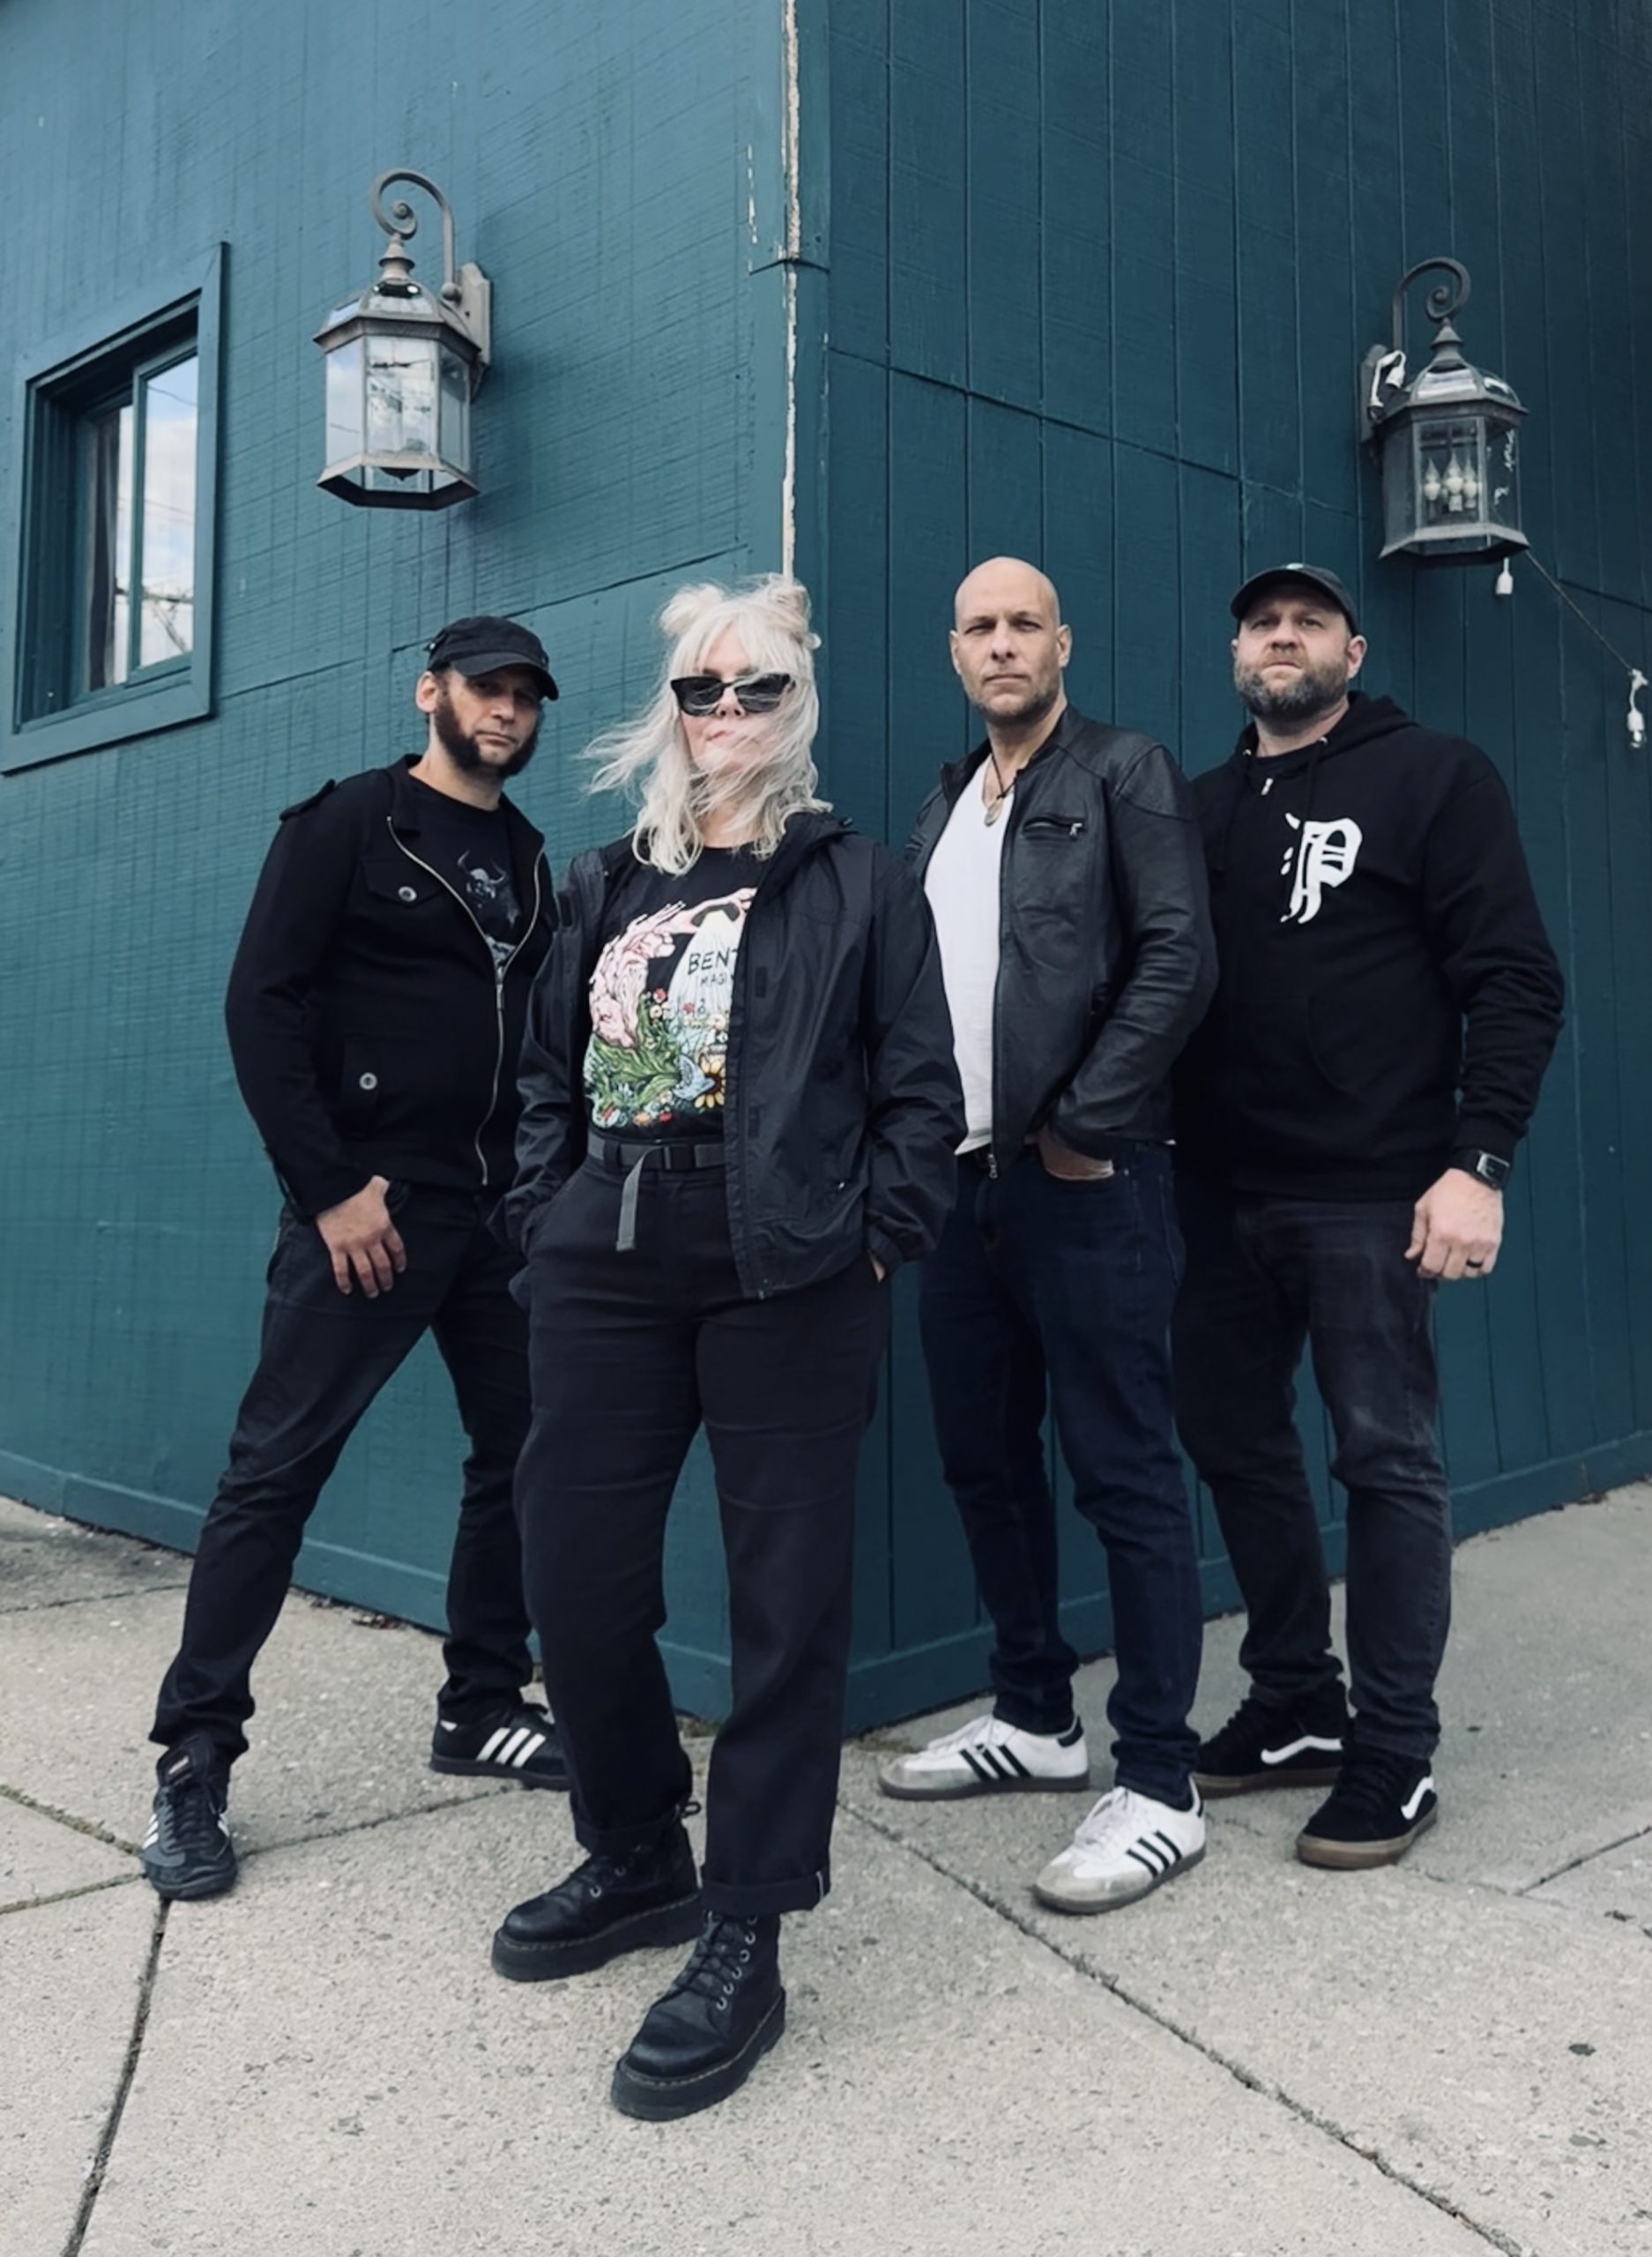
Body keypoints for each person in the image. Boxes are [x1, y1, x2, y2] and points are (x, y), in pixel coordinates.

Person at [490, 576, 962, 2119]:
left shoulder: (858, 882)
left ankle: (748, 1926)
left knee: (785, 1607)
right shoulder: (604, 882)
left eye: (759, 687)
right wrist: (548, 1220)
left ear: (798, 703)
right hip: (606, 1254)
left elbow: (922, 1092)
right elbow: (546, 1075)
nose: (729, 713)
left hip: (790, 1270)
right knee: (574, 1572)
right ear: (675, 708)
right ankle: (638, 1854)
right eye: (705, 688)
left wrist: (875, 1236)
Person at [139, 616, 570, 1903]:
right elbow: (260, 1005)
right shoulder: (347, 825)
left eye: (526, 696)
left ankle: (481, 1705)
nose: (507, 712)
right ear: (431, 692)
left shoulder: (529, 857)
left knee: (522, 1456)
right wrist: (328, 1191)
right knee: (274, 1475)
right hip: (369, 1214)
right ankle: (194, 1760)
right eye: (486, 689)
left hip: (496, 1218)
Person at [1172, 562, 1564, 1868]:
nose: (1282, 638)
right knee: (1233, 1442)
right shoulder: (1201, 807)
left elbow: (1516, 978)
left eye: (1309, 623)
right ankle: (1296, 1701)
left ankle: (1394, 1751)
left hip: (1372, 1194)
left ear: (1352, 651)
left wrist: (1479, 1162)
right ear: (1238, 654)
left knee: (1385, 1463)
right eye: (1262, 624)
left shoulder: (1435, 777)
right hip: (1220, 1195)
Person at [879, 555, 1217, 1918]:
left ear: (1062, 644)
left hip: (1087, 1179)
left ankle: (1162, 1783)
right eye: (980, 626)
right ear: (955, 652)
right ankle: (1033, 1715)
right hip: (962, 1188)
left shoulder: (1124, 772)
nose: (1003, 643)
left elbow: (1179, 957)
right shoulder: (942, 806)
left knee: (1124, 1471)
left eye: (1025, 623)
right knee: (984, 1462)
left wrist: (1084, 1121)